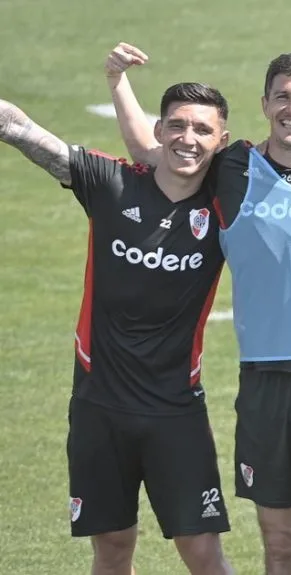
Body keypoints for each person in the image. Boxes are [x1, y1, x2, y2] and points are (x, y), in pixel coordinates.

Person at [106, 43, 291, 574]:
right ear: (264, 104)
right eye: (283, 96)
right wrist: (117, 81)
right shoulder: (232, 167)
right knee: (280, 542)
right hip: (263, 384)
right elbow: (152, 153)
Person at [1, 81, 233, 574]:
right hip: (98, 407)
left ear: (221, 140)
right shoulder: (111, 184)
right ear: (159, 130)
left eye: (202, 129)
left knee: (202, 551)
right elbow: (20, 128)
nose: (188, 138)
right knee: (111, 545)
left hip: (176, 412)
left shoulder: (225, 199)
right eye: (177, 125)